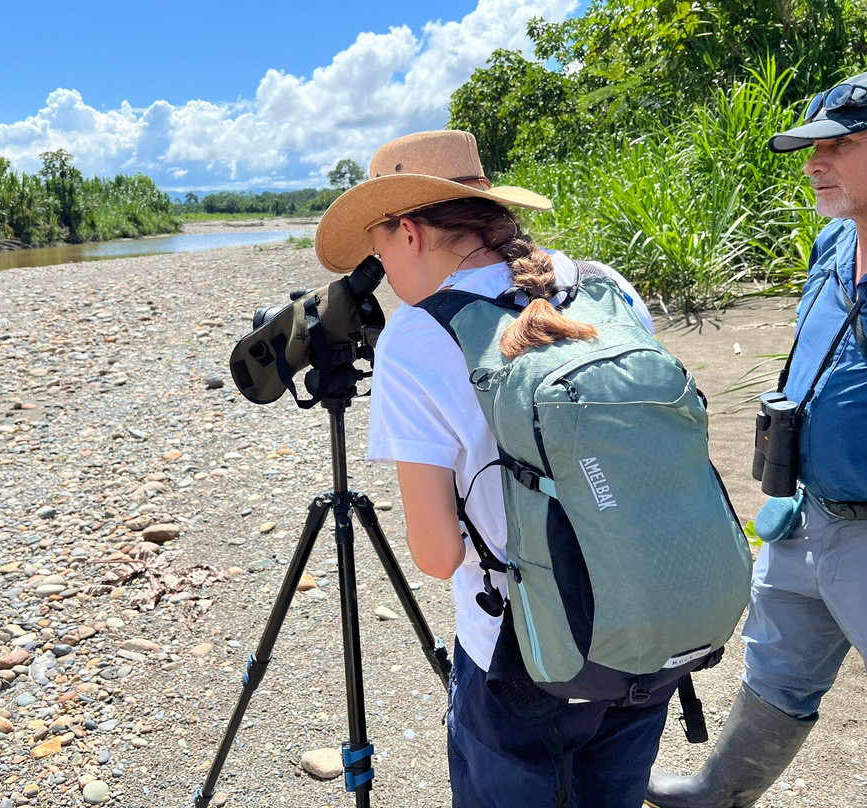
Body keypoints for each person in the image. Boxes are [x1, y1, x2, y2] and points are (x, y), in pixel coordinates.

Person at [315, 129, 666, 808]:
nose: (379, 266)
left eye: (378, 246)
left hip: (528, 658)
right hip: (652, 621)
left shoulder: (416, 340)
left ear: (409, 232)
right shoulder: (601, 284)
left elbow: (439, 555)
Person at [647, 72, 867, 807]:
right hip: (808, 511)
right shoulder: (836, 240)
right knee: (778, 667)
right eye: (809, 146)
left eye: (838, 145)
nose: (813, 162)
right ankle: (716, 792)